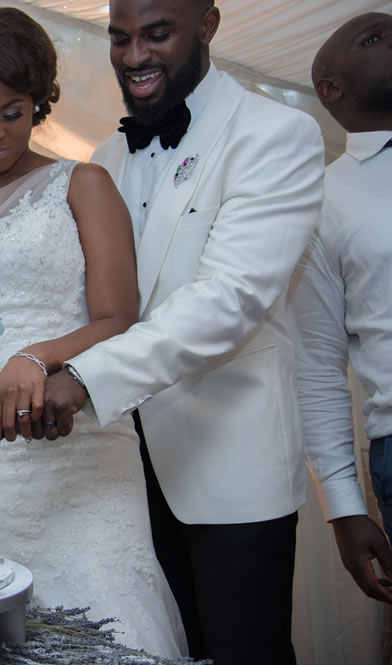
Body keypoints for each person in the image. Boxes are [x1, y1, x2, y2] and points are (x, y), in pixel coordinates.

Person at [26, 1, 325, 663]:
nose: (135, 57)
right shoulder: (105, 157)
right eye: (120, 38)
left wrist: (84, 379)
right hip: (119, 471)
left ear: (208, 26)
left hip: (229, 466)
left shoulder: (276, 133)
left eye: (157, 35)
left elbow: (230, 301)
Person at [0, 7, 185, 656]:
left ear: (39, 99)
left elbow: (119, 318)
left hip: (79, 444)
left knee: (105, 626)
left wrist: (37, 356)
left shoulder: (82, 184)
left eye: (12, 112)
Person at [289, 12, 392, 604]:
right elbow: (317, 364)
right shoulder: (322, 204)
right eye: (375, 38)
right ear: (330, 88)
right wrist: (344, 506)